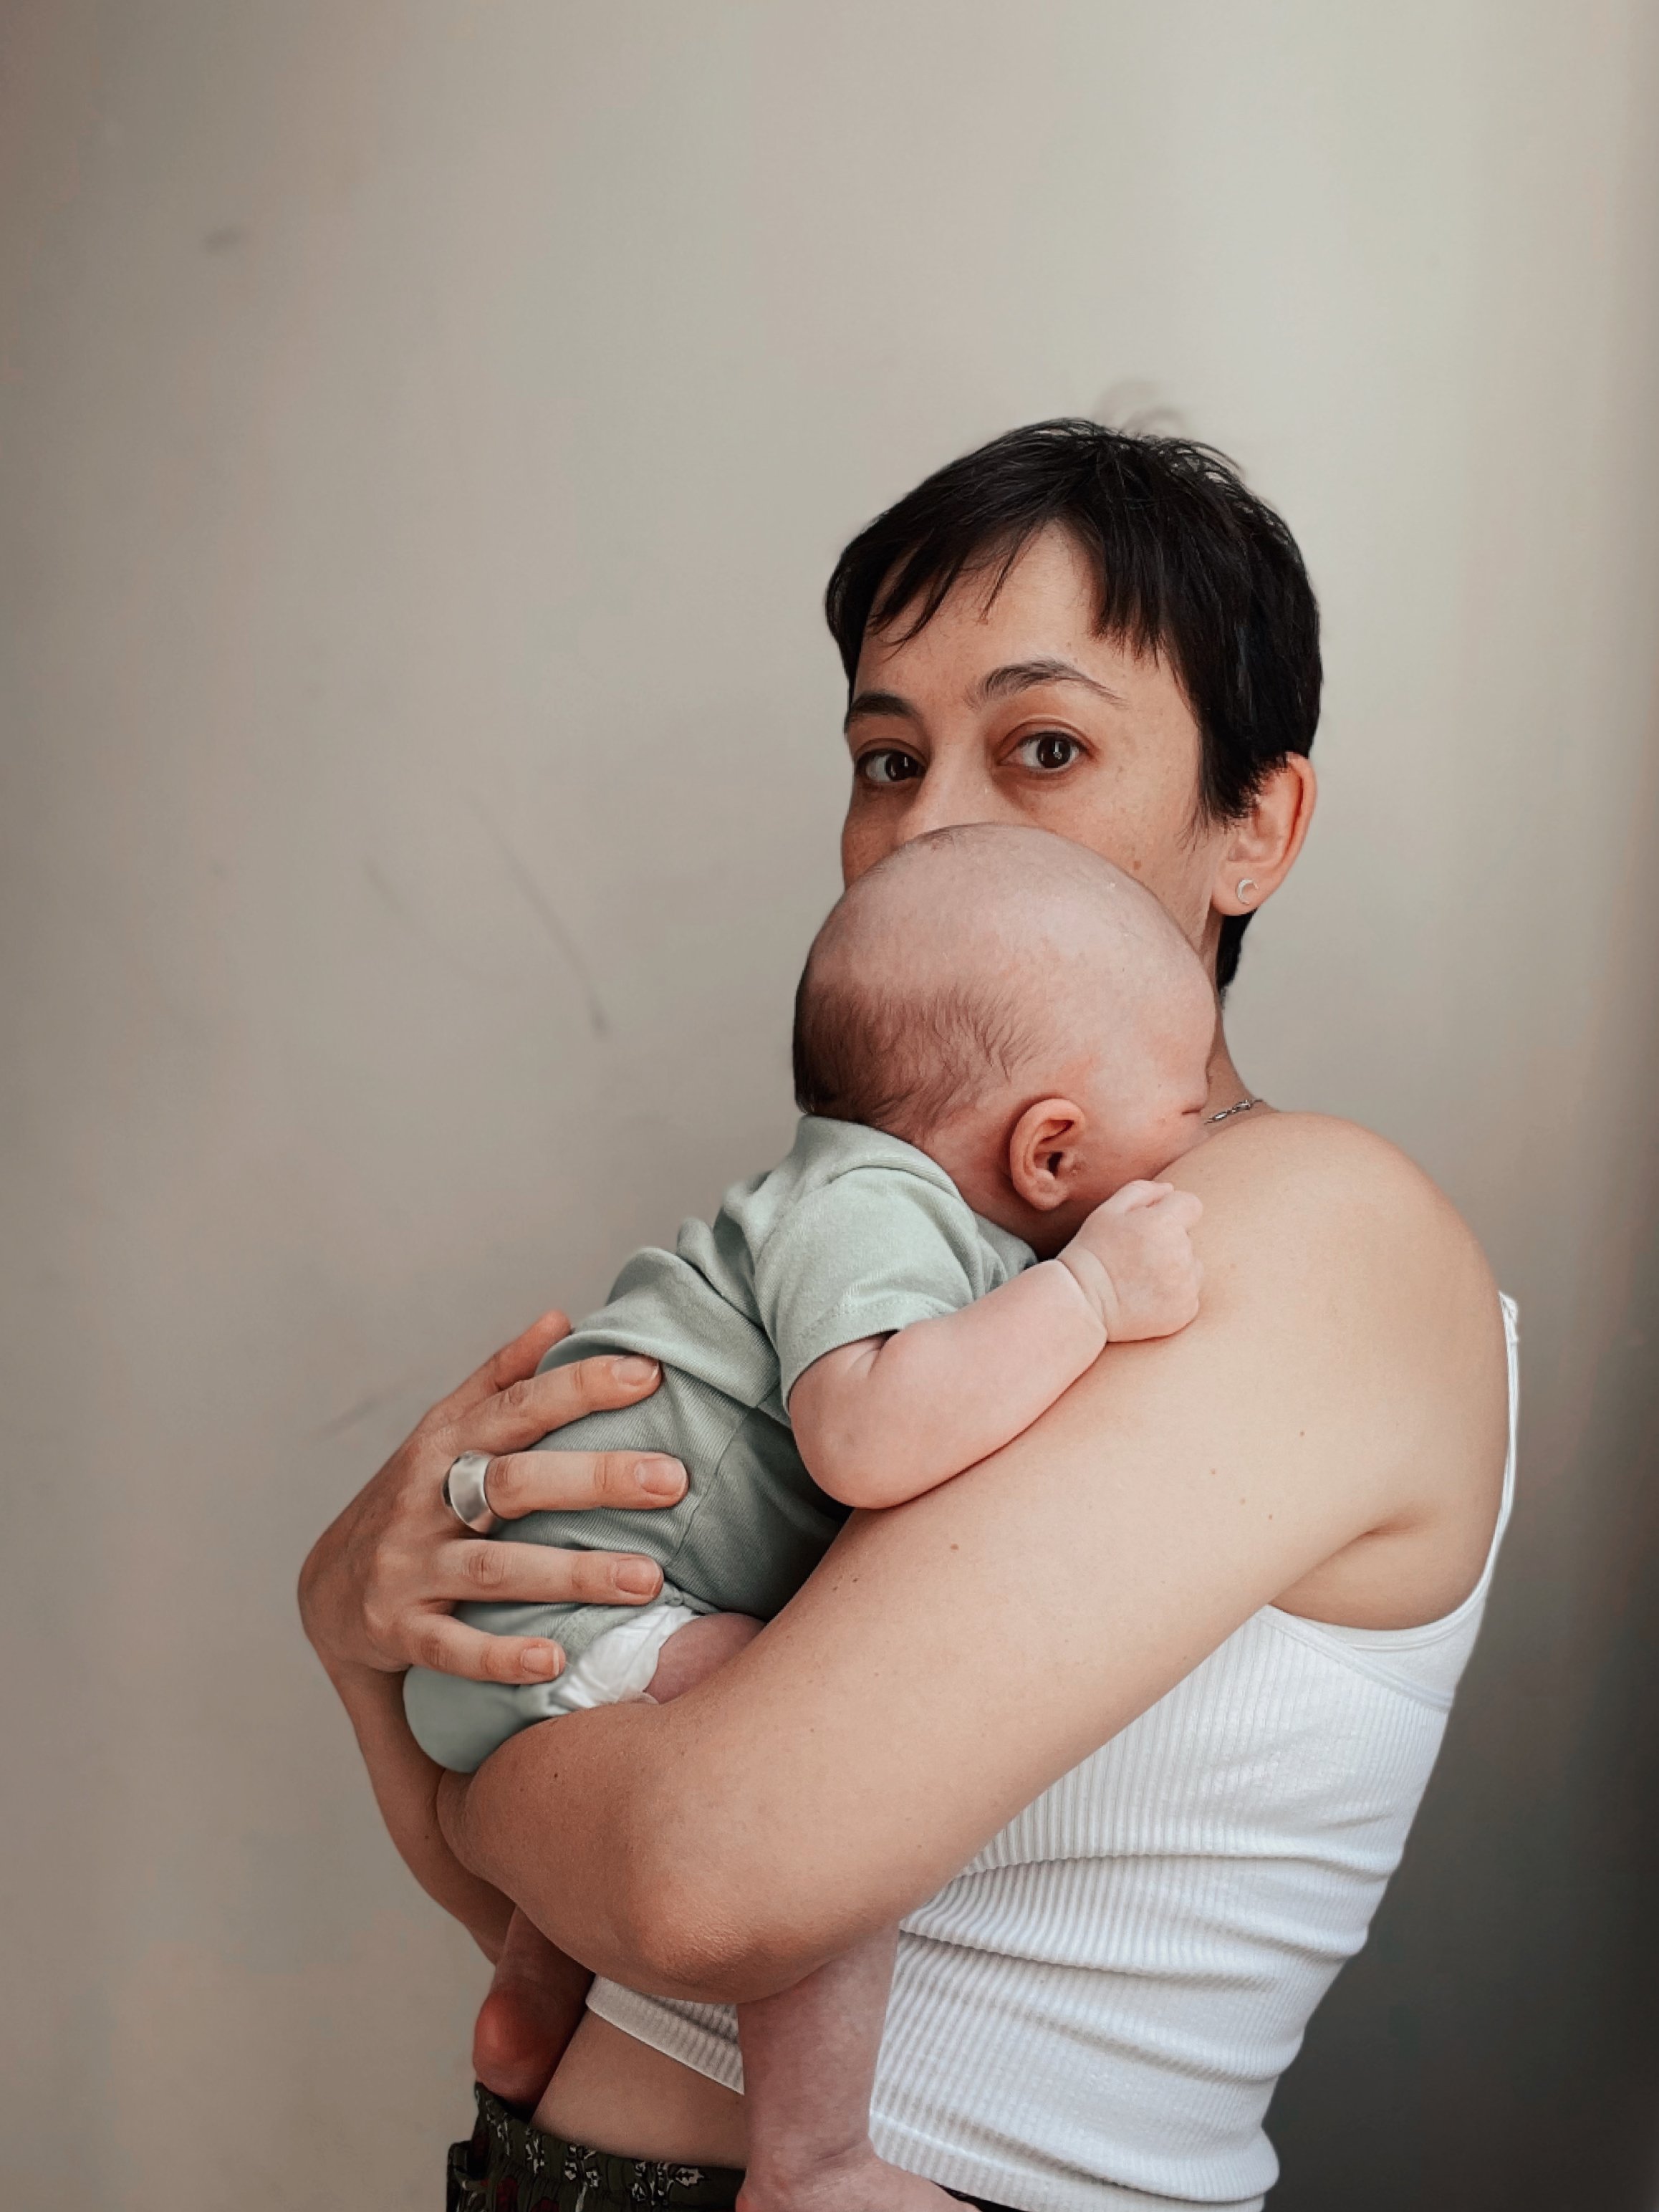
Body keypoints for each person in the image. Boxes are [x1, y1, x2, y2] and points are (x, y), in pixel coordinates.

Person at [299, 420, 1516, 2212]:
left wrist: (493, 1777)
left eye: (1044, 745)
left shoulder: (1300, 1224)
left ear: (1254, 824)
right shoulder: (927, 1255)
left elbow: (702, 1880)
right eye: (887, 755)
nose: (925, 826)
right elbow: (555, 1905)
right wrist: (361, 1639)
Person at [402, 826, 1214, 2212]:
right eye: (1187, 1110)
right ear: (1050, 1147)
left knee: (732, 1740)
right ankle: (815, 2159)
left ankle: (530, 2007)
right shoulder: (869, 1207)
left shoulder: (853, 1198)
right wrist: (1089, 1296)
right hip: (577, 1606)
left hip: (540, 1617)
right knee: (823, 1798)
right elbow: (864, 1436)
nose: (1196, 1145)